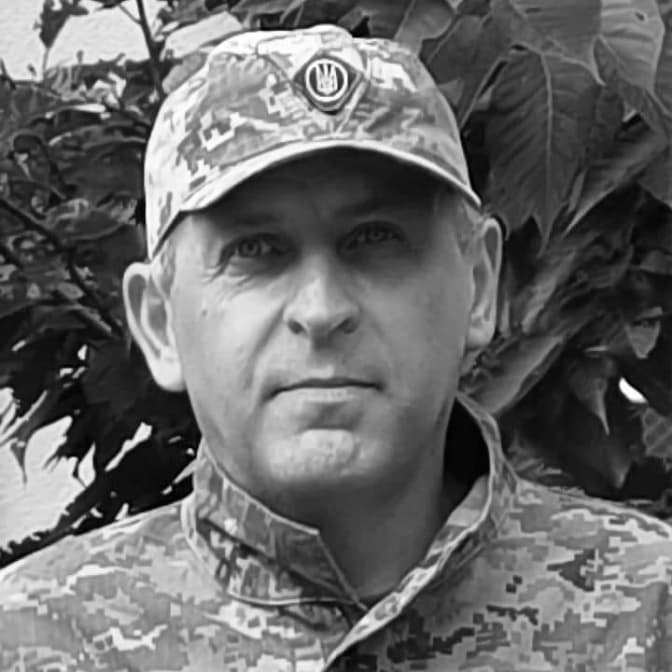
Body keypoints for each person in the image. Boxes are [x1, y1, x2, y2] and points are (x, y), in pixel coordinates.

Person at [1, 23, 672, 672]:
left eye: (375, 239)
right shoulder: (33, 640)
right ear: (158, 323)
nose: (321, 311)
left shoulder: (651, 612)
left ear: (479, 283)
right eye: (256, 250)